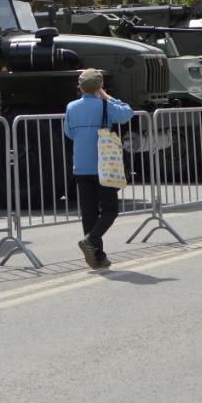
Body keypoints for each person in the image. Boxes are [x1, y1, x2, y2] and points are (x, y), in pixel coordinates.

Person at [65, 68, 133, 269]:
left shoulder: (71, 107)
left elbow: (68, 132)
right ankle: (90, 241)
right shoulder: (104, 104)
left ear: (80, 87)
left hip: (80, 166)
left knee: (89, 213)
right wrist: (107, 96)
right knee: (110, 209)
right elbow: (127, 113)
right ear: (100, 86)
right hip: (103, 165)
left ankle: (98, 256)